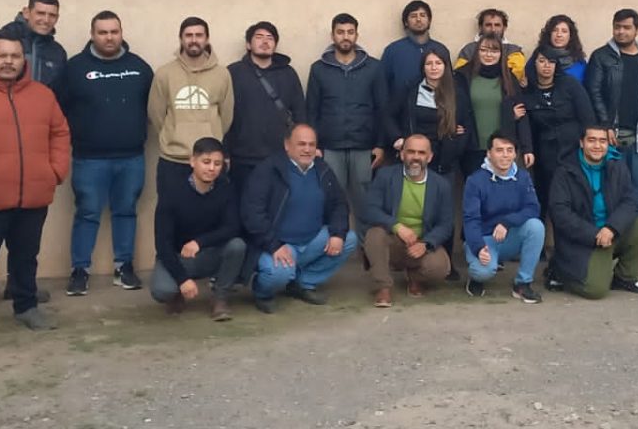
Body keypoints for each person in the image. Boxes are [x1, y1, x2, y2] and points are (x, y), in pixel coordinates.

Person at [0, 32, 70, 340]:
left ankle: (26, 306)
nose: (9, 62)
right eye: (2, 56)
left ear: (24, 60)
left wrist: (55, 171)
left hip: (33, 194)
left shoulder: (42, 95)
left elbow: (60, 133)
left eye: (15, 56)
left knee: (26, 255)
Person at [60, 10, 153, 296]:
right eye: (103, 32)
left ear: (121, 33)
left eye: (114, 31)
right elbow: (59, 111)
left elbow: (154, 108)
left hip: (131, 157)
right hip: (89, 158)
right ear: (92, 34)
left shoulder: (140, 68)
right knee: (87, 212)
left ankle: (124, 267)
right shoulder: (74, 68)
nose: (109, 37)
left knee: (126, 211)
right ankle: (79, 270)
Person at [241, 124, 358, 314]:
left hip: (312, 240)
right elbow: (252, 212)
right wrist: (274, 245)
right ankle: (262, 293)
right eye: (301, 144)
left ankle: (302, 283)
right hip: (279, 245)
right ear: (287, 145)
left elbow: (339, 203)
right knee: (279, 273)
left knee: (348, 239)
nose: (307, 149)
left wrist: (337, 233)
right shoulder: (269, 170)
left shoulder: (322, 168)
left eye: (312, 144)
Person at [586, 8, 638, 237]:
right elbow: (594, 93)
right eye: (617, 27)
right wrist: (605, 125)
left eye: (626, 27)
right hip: (612, 137)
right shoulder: (601, 57)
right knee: (611, 190)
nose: (621, 32)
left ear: (636, 30)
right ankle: (613, 237)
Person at [546, 126, 638, 299]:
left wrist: (611, 228)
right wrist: (594, 234)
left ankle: (623, 277)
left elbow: (630, 200)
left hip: (609, 233)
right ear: (582, 143)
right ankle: (559, 272)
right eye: (592, 140)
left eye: (602, 141)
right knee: (595, 290)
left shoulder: (617, 165)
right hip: (581, 241)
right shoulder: (565, 172)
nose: (597, 146)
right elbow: (560, 214)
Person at [150, 137, 247, 321]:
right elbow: (162, 243)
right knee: (161, 291)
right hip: (179, 257)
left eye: (217, 163)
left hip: (209, 254)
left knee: (237, 246)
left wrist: (199, 242)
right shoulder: (172, 192)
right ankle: (178, 293)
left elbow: (233, 227)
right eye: (206, 162)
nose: (211, 168)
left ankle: (220, 298)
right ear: (192, 161)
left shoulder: (225, 188)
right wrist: (182, 279)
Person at [306, 13, 387, 221]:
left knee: (365, 203)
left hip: (364, 146)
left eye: (350, 32)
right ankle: (335, 246)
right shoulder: (319, 69)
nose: (345, 37)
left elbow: (382, 109)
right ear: (332, 35)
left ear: (356, 35)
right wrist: (314, 146)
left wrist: (380, 144)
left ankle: (367, 249)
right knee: (331, 200)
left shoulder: (374, 67)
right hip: (330, 146)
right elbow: (312, 110)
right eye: (340, 32)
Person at [361, 135, 454, 307]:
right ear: (402, 154)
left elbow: (446, 224)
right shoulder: (385, 176)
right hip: (393, 240)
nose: (416, 157)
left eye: (421, 152)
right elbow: (370, 210)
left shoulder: (441, 185)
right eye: (411, 152)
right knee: (374, 234)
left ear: (430, 157)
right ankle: (384, 287)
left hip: (420, 244)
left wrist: (426, 243)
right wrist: (396, 226)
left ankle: (414, 277)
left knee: (441, 267)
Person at [148, 17, 234, 197]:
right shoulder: (165, 73)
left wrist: (212, 134)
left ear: (207, 39)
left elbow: (226, 115)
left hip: (209, 161)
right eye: (188, 35)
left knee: (207, 217)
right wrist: (173, 135)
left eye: (199, 35)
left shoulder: (222, 74)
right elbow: (155, 114)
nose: (194, 40)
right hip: (173, 159)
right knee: (170, 215)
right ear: (181, 39)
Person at [462, 133, 544, 303]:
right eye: (499, 150)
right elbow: (471, 219)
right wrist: (478, 247)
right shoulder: (475, 180)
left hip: (508, 236)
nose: (505, 155)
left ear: (515, 154)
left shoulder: (523, 177)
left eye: (509, 150)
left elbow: (533, 208)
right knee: (483, 272)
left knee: (536, 227)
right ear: (489, 154)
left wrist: (507, 222)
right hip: (484, 238)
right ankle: (476, 278)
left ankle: (522, 284)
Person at [225, 21, 305, 193]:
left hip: (279, 156)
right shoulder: (233, 73)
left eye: (270, 38)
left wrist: (301, 148)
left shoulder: (288, 74)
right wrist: (225, 152)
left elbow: (300, 113)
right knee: (242, 209)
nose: (265, 41)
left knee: (276, 209)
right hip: (242, 158)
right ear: (248, 44)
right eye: (259, 37)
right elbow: (223, 115)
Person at [520, 45, 595, 220]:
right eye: (542, 61)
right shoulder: (527, 91)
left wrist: (590, 146)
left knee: (574, 198)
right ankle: (540, 244)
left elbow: (587, 117)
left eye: (551, 61)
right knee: (543, 198)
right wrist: (527, 149)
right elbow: (525, 124)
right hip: (544, 155)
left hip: (574, 150)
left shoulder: (570, 84)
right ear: (534, 64)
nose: (547, 65)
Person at [384, 48, 471, 177]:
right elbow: (388, 115)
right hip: (414, 158)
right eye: (429, 63)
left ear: (446, 66)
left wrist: (457, 146)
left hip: (445, 163)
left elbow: (467, 123)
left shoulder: (457, 93)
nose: (434, 67)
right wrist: (397, 138)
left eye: (438, 63)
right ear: (423, 67)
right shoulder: (409, 89)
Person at [457, 35, 534, 177]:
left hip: (501, 150)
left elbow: (522, 115)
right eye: (484, 50)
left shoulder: (509, 78)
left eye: (494, 51)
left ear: (501, 54)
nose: (488, 55)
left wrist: (527, 148)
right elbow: (452, 105)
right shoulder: (463, 76)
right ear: (477, 51)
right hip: (471, 148)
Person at [382, 0, 451, 96]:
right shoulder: (393, 50)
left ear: (429, 20)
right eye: (413, 16)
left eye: (423, 15)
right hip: (401, 108)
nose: (418, 19)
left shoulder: (441, 49)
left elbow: (449, 82)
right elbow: (382, 85)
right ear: (406, 22)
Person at [454, 8, 527, 83]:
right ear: (480, 27)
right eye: (488, 25)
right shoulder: (468, 50)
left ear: (504, 28)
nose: (493, 29)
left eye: (497, 25)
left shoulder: (514, 51)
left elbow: (515, 75)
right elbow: (460, 76)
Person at [526, 14, 588, 84]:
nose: (559, 35)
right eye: (555, 30)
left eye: (564, 31)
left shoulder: (579, 62)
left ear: (571, 36)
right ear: (549, 34)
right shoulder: (538, 57)